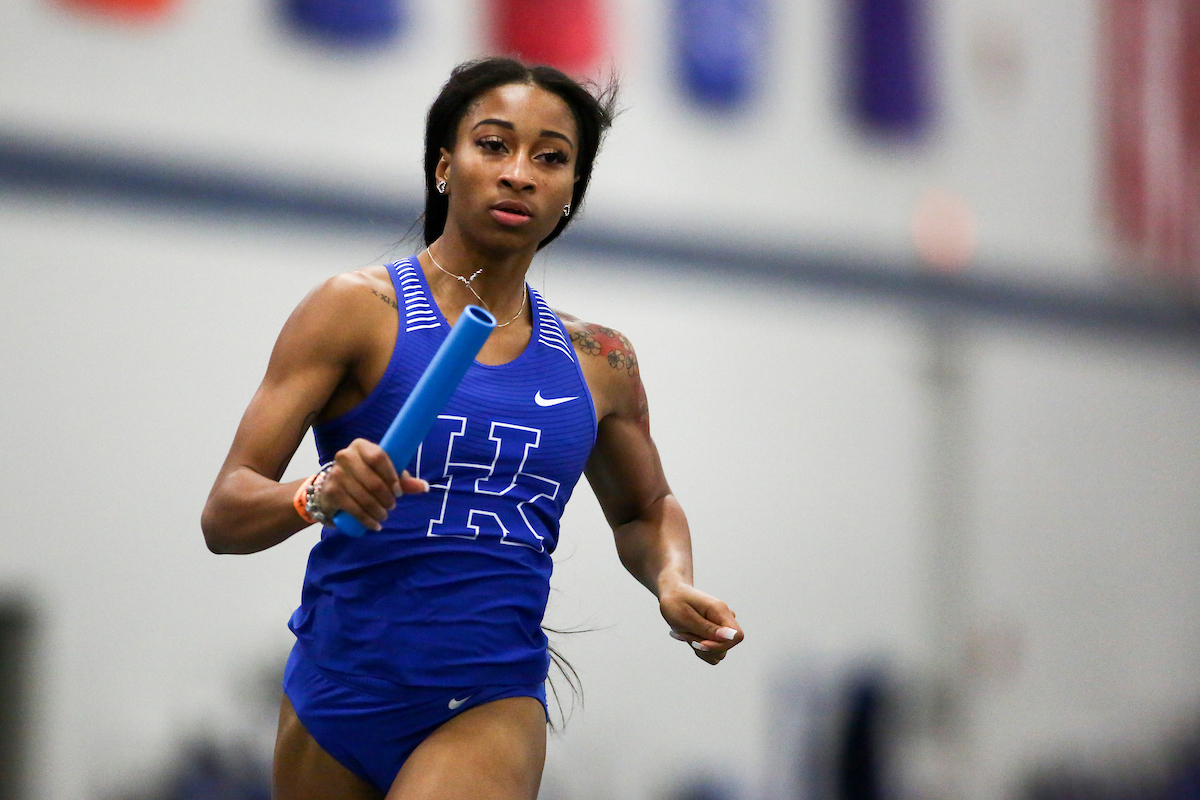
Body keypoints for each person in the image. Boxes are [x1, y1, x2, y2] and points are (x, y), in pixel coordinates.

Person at [201, 57, 744, 800]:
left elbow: (645, 509)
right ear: (443, 167)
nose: (520, 173)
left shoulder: (600, 361)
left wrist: (671, 579)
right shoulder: (354, 311)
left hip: (489, 695)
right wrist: (319, 492)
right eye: (494, 145)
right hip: (334, 690)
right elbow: (225, 512)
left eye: (550, 158)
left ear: (570, 194)